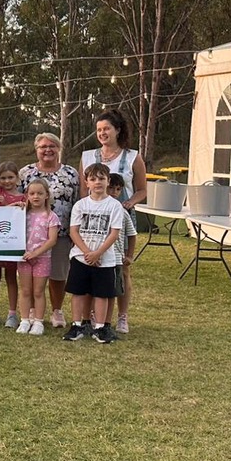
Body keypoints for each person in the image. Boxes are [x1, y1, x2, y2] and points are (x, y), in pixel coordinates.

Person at [80, 109, 147, 335]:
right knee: (94, 265)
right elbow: (83, 192)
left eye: (106, 128)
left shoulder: (133, 157)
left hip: (121, 218)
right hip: (93, 220)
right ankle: (92, 314)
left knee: (121, 269)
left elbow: (142, 190)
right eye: (99, 130)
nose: (102, 133)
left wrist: (128, 204)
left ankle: (122, 316)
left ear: (118, 130)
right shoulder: (87, 156)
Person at [18, 132, 81, 329]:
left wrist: (76, 231)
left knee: (58, 274)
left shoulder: (71, 173)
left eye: (52, 146)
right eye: (43, 147)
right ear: (36, 150)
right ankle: (31, 311)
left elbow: (78, 202)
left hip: (61, 233)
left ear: (59, 148)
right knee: (31, 276)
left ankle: (57, 310)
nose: (47, 150)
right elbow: (17, 200)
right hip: (31, 234)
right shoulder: (25, 173)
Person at [63, 162, 126, 344]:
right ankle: (77, 325)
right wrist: (87, 253)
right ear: (87, 182)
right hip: (80, 257)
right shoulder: (80, 205)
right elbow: (74, 231)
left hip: (105, 259)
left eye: (101, 178)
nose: (97, 182)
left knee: (102, 294)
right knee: (78, 292)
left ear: (108, 181)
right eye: (93, 179)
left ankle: (99, 327)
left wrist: (98, 253)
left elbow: (114, 233)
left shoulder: (114, 206)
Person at [0, 161, 27, 329]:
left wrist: (20, 207)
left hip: (12, 244)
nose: (7, 181)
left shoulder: (23, 198)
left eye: (10, 177)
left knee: (11, 278)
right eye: (3, 178)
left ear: (17, 178)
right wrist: (7, 206)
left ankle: (12, 314)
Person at [16, 178, 60, 336]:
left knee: (38, 291)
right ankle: (24, 320)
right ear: (27, 195)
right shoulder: (22, 214)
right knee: (25, 290)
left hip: (42, 258)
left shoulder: (51, 216)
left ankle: (38, 321)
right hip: (24, 258)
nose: (36, 197)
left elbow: (52, 240)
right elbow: (5, 217)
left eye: (40, 193)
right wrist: (14, 206)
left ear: (46, 195)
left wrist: (36, 253)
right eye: (32, 193)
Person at [107, 172, 138, 331]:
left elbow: (131, 234)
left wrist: (130, 255)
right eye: (111, 188)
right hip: (98, 253)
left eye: (118, 189)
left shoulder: (122, 210)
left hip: (118, 253)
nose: (114, 192)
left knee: (120, 281)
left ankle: (122, 316)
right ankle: (94, 315)